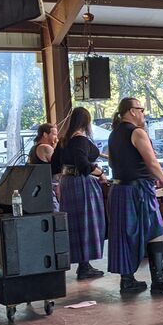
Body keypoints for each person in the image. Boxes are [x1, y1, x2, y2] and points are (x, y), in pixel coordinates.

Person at [106, 97, 163, 296]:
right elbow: (151, 162)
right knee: (156, 230)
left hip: (119, 189)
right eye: (141, 109)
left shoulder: (114, 134)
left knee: (125, 235)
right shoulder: (137, 132)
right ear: (131, 111)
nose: (143, 114)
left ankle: (127, 281)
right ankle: (158, 280)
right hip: (137, 190)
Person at [56, 107, 106, 280]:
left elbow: (55, 165)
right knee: (87, 222)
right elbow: (84, 165)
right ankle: (84, 265)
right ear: (86, 122)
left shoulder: (64, 140)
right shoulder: (80, 140)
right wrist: (100, 173)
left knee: (75, 224)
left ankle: (83, 264)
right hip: (81, 184)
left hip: (67, 183)